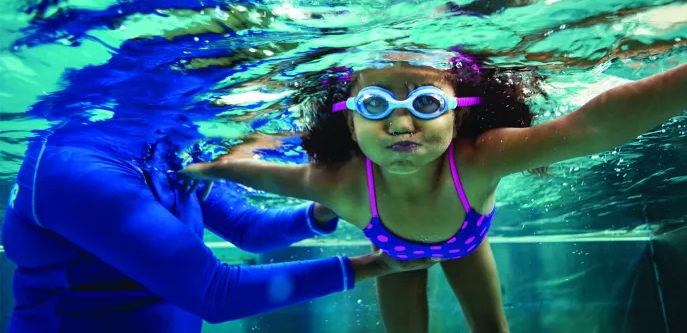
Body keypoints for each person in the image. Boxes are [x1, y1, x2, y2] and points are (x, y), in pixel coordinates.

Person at [182, 21, 687, 333]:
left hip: (465, 244)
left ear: (459, 110)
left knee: (492, 330)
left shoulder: (478, 159)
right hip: (393, 256)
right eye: (377, 105)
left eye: (427, 104)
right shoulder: (340, 183)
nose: (402, 123)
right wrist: (206, 167)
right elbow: (262, 176)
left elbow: (596, 125)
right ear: (349, 123)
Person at [2, 130, 437, 332]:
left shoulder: (169, 152)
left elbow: (248, 228)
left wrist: (328, 208)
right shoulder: (74, 164)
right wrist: (375, 265)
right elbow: (216, 293)